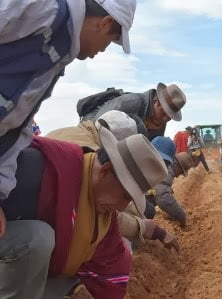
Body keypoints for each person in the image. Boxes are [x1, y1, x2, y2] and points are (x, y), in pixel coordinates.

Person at [0, 128, 168, 299]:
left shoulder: (96, 209)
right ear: (107, 171)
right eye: (124, 195)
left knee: (72, 270)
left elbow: (108, 267)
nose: (122, 206)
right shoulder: (39, 167)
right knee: (38, 238)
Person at [0, 0, 137, 239]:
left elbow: (16, 130)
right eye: (110, 42)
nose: (103, 51)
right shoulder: (43, 10)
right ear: (104, 23)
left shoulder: (55, 61)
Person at [47, 110, 180, 252]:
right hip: (50, 237)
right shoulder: (89, 158)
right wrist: (144, 227)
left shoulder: (73, 133)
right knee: (122, 245)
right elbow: (108, 215)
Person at [78, 83, 187, 141]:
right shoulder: (131, 102)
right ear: (156, 101)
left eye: (170, 118)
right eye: (165, 114)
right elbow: (99, 125)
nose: (166, 119)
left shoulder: (161, 122)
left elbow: (150, 147)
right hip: (89, 136)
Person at [151, 137, 195, 227]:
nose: (178, 175)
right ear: (176, 165)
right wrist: (181, 216)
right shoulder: (166, 171)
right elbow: (164, 198)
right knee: (150, 210)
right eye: (181, 172)